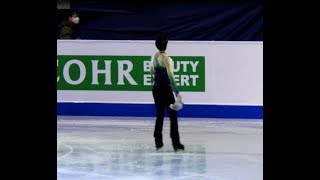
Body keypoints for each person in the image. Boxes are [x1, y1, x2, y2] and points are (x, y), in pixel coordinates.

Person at [150, 34, 184, 151]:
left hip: (156, 89)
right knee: (172, 116)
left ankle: (158, 141)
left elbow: (152, 73)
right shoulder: (167, 59)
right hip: (166, 89)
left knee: (160, 115)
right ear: (166, 45)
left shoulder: (154, 57)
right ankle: (176, 143)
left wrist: (155, 86)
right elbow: (171, 77)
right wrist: (177, 92)